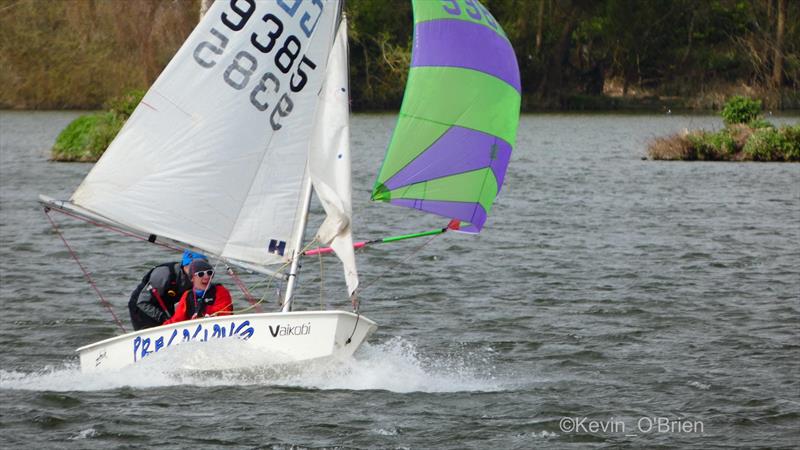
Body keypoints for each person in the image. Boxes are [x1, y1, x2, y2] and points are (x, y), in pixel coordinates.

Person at [128, 249, 207, 330]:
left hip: (166, 304)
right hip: (142, 306)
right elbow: (142, 302)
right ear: (187, 264)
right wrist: (163, 317)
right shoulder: (164, 274)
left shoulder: (198, 278)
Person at [164, 259, 233, 325]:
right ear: (192, 278)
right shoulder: (187, 295)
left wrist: (204, 310)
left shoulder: (220, 291)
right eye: (201, 274)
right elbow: (177, 319)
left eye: (209, 273)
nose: (206, 277)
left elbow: (225, 313)